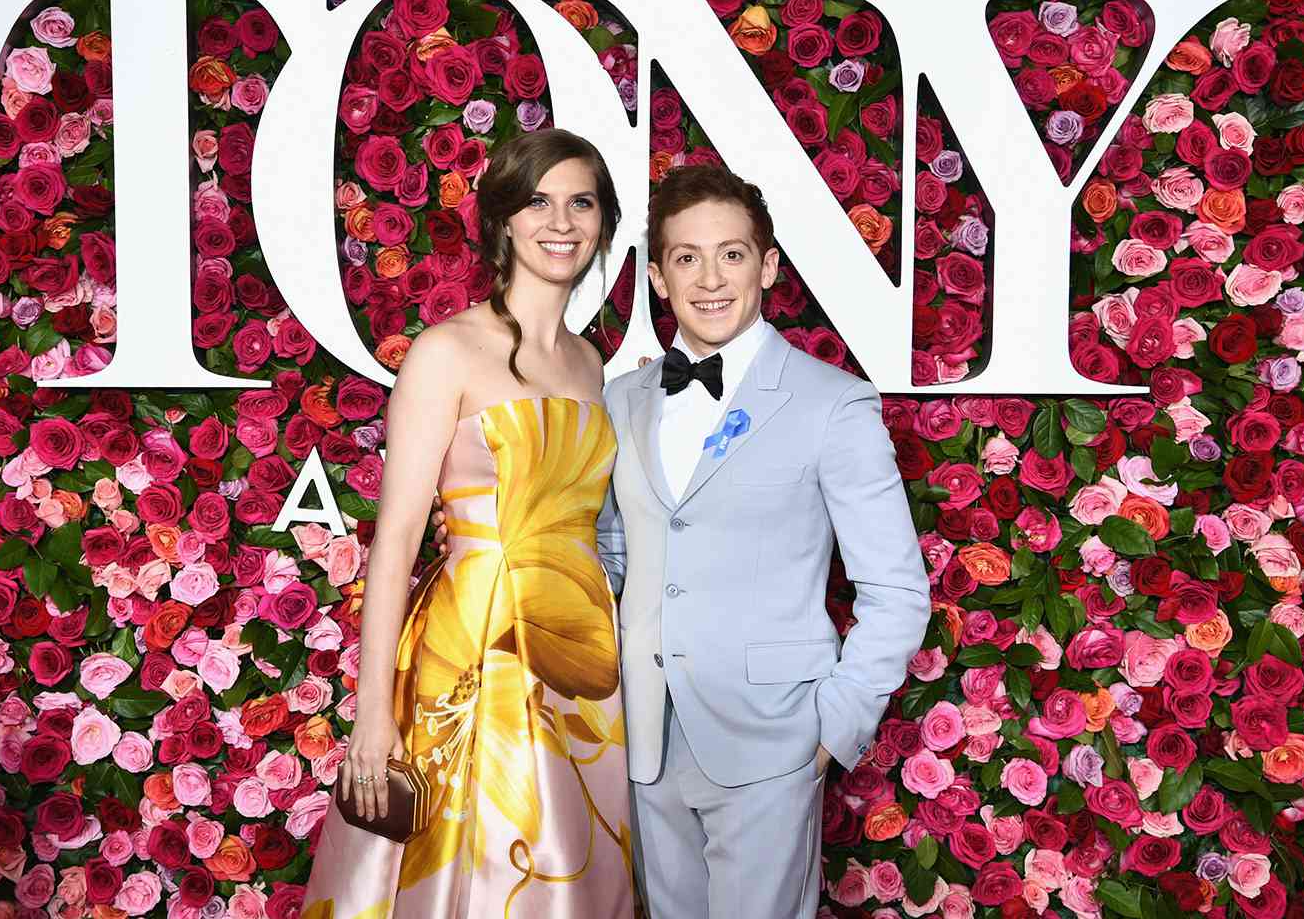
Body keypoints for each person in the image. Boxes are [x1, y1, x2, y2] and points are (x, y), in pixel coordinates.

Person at [301, 128, 637, 919]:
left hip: (579, 655)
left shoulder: (592, 365)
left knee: (572, 870)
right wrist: (373, 713)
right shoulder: (446, 351)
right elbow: (395, 545)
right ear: (502, 223)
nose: (561, 221)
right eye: (537, 202)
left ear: (603, 223)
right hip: (469, 656)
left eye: (580, 202)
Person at [598, 164, 931, 918]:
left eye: (732, 254)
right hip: (642, 736)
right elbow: (614, 555)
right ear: (657, 276)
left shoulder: (833, 404)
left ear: (768, 266)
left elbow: (896, 590)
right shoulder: (621, 400)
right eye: (686, 257)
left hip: (773, 738)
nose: (709, 278)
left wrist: (831, 730)